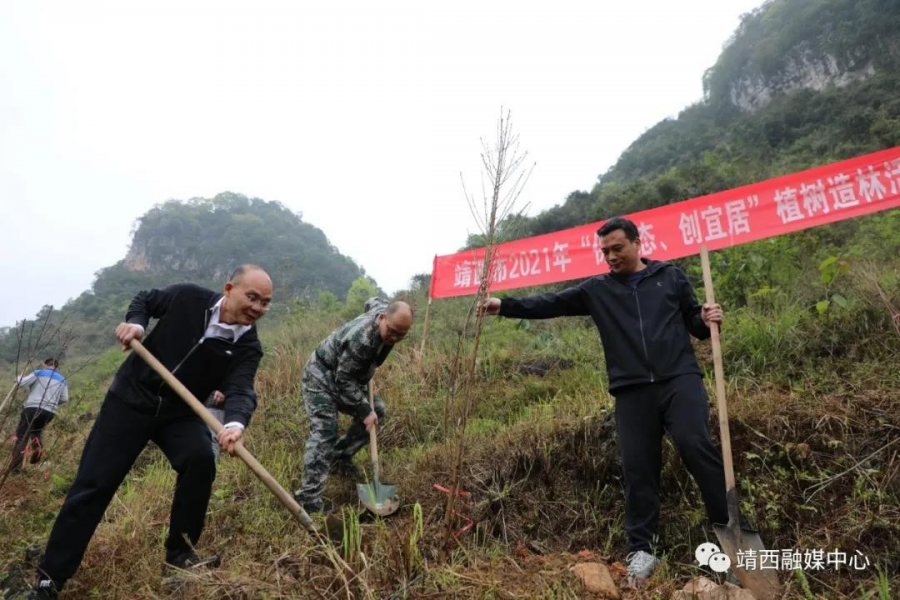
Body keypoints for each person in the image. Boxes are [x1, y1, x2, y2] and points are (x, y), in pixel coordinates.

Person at [482, 217, 729, 586]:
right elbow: (549, 303)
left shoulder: (670, 277)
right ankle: (642, 550)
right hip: (631, 391)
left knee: (698, 448)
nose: (611, 257)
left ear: (636, 243)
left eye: (617, 248)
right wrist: (503, 305)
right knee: (637, 468)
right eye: (605, 251)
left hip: (679, 380)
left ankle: (729, 531)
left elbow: (694, 323)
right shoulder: (597, 289)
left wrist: (708, 317)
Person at [20, 265, 272, 600]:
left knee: (199, 459)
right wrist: (136, 323)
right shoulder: (188, 297)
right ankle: (50, 579)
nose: (258, 308)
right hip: (130, 399)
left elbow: (241, 389)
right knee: (95, 483)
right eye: (252, 297)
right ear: (229, 288)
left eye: (265, 302)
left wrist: (235, 424)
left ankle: (180, 555)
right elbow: (146, 300)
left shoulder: (248, 346)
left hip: (180, 413)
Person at [294, 297, 413, 515]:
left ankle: (339, 457)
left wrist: (369, 409)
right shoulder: (363, 341)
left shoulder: (382, 309)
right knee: (325, 432)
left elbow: (372, 300)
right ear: (383, 318)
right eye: (392, 331)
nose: (394, 338)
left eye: (401, 335)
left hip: (347, 377)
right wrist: (364, 410)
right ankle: (308, 500)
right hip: (321, 378)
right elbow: (343, 381)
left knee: (379, 410)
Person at [7, 358, 69, 473]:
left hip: (32, 408)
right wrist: (53, 403)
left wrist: (17, 378)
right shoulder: (63, 380)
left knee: (21, 437)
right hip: (49, 412)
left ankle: (15, 470)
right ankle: (37, 449)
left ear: (45, 364)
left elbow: (21, 382)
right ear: (56, 366)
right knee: (36, 431)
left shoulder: (39, 372)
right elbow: (65, 398)